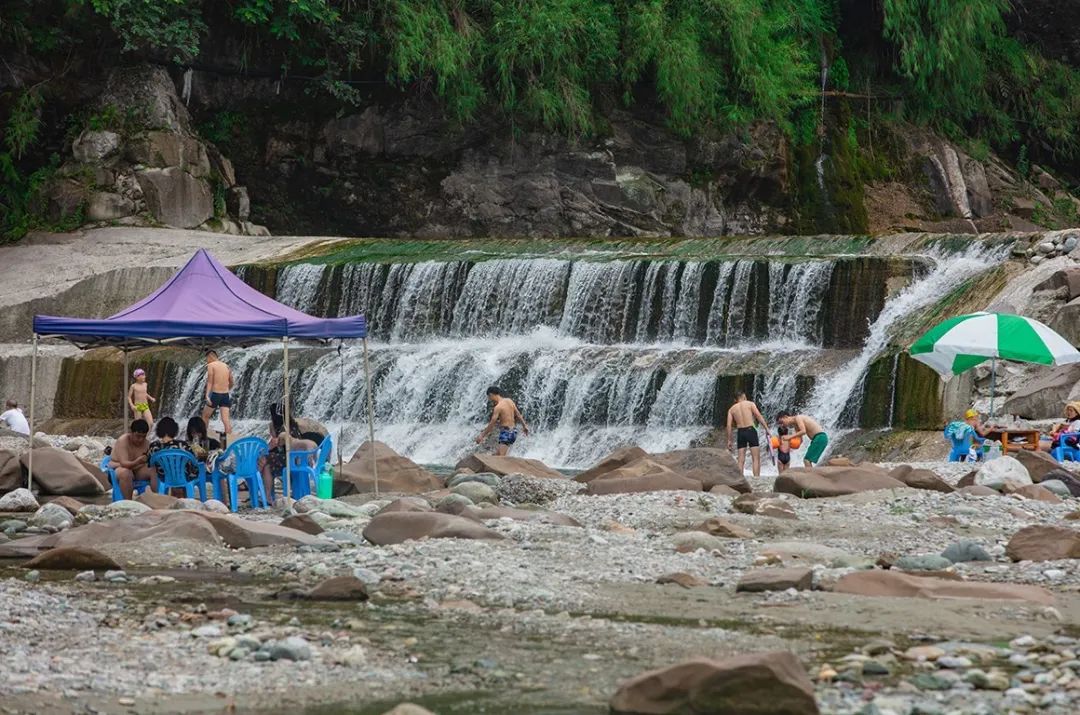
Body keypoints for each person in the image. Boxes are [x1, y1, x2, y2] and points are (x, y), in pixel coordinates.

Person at [109, 419, 157, 498]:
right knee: (126, 473)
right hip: (119, 469)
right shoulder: (123, 441)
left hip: (137, 469)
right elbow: (124, 464)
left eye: (143, 437)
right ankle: (128, 501)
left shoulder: (147, 443)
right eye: (138, 436)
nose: (140, 440)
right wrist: (138, 461)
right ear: (131, 432)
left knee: (154, 470)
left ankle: (157, 497)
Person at [726, 391, 770, 477]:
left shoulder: (731, 409)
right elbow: (758, 416)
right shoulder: (750, 404)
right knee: (756, 458)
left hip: (740, 432)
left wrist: (729, 440)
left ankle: (740, 479)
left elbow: (728, 425)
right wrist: (767, 429)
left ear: (735, 399)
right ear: (743, 396)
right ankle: (756, 479)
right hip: (751, 430)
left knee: (741, 459)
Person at [475, 386, 529, 456]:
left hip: (506, 433)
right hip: (513, 432)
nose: (489, 399)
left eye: (489, 397)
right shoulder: (509, 401)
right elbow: (518, 414)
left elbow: (492, 423)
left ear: (491, 395)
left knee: (501, 457)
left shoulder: (498, 407)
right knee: (497, 455)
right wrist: (525, 426)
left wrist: (482, 435)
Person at [147, 416, 198, 482]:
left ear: (159, 430)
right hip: (184, 477)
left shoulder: (153, 446)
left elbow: (149, 464)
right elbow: (194, 461)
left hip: (163, 478)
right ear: (175, 429)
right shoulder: (183, 445)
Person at [201, 350, 234, 442]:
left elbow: (210, 381)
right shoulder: (226, 366)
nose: (206, 361)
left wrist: (207, 395)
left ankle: (204, 438)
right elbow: (231, 381)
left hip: (215, 394)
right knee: (226, 420)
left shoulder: (211, 365)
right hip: (225, 395)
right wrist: (228, 389)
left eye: (206, 359)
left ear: (210, 357)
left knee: (205, 416)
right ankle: (229, 441)